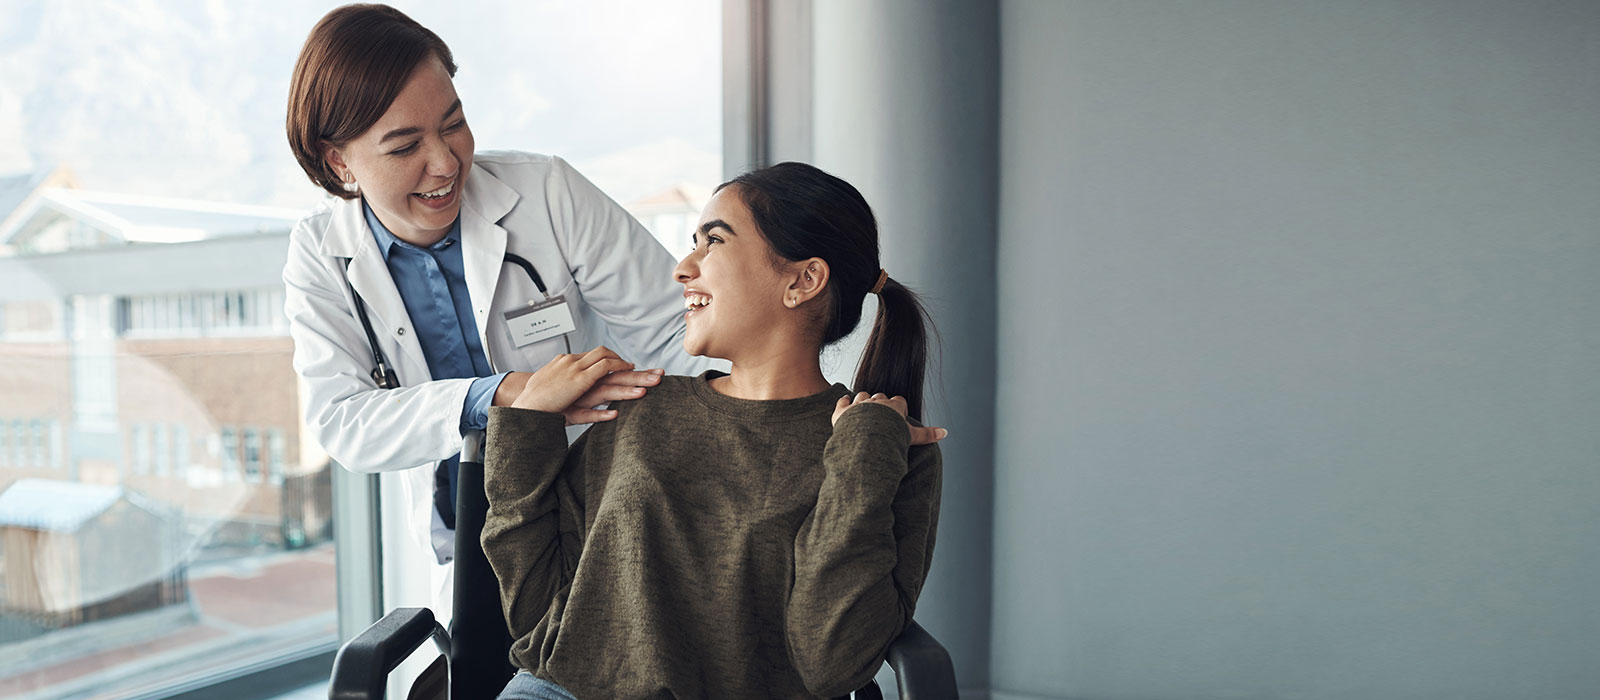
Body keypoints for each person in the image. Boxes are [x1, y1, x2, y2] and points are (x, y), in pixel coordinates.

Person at [281, 3, 712, 617]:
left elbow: (679, 328)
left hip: (601, 512)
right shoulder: (321, 256)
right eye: (405, 146)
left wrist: (766, 423)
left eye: (453, 124)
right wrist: (504, 395)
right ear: (338, 160)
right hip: (466, 535)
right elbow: (344, 421)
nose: (446, 163)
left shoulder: (546, 193)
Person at [483, 162, 947, 699]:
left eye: (713, 243)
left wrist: (862, 456)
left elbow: (835, 663)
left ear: (802, 281)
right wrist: (526, 425)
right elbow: (535, 615)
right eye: (692, 244)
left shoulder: (886, 449)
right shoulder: (639, 410)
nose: (683, 268)